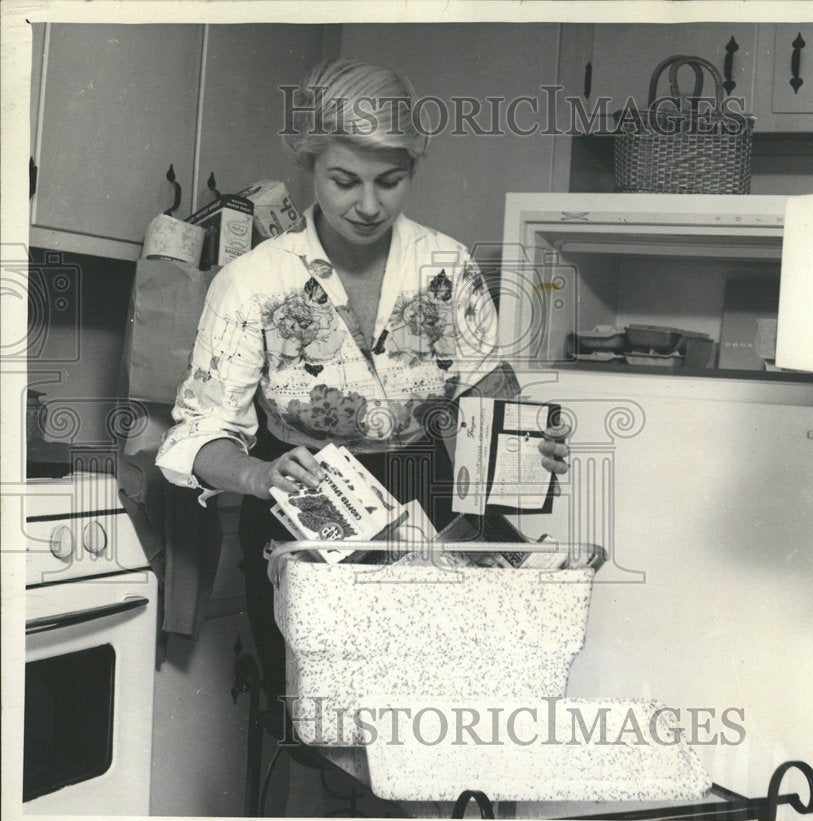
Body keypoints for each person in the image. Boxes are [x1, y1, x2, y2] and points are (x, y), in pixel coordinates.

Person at [156, 58, 569, 702]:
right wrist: (261, 477)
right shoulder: (254, 281)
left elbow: (486, 397)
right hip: (306, 508)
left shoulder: (445, 264)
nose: (369, 205)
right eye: (344, 180)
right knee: (329, 719)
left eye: (391, 181)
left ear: (412, 171)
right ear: (310, 165)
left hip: (429, 505)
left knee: (439, 711)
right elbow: (200, 438)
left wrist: (524, 455)